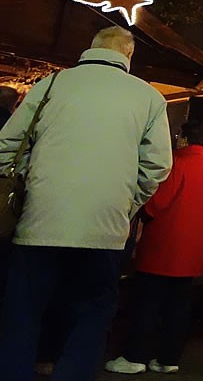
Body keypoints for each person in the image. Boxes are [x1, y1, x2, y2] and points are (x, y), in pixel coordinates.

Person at [0, 27, 172, 381]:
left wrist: (27, 180)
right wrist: (128, 204)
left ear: (90, 49)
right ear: (129, 55)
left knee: (24, 312)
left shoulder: (51, 85)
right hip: (104, 229)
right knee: (93, 312)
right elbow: (157, 165)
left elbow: (6, 145)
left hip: (39, 220)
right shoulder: (149, 97)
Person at [106, 121, 203, 375]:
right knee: (178, 306)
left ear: (182, 137)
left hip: (164, 246)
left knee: (146, 303)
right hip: (193, 252)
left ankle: (135, 356)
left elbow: (154, 205)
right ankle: (168, 358)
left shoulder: (176, 165)